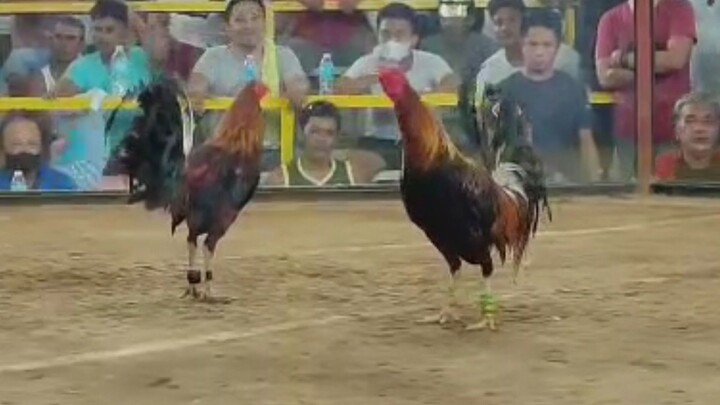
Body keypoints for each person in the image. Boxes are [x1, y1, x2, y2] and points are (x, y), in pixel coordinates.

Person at [188, 0, 309, 171]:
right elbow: (196, 84)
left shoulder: (282, 55)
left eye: (255, 18)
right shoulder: (213, 56)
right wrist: (197, 93)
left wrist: (296, 92)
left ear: (265, 22)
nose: (248, 26)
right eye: (240, 20)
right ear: (226, 27)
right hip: (224, 154)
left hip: (272, 153)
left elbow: (298, 84)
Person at [336, 2, 458, 169]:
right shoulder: (367, 62)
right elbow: (341, 88)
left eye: (399, 34)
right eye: (385, 34)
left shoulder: (431, 61)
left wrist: (413, 99)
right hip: (376, 143)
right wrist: (382, 76)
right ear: (377, 36)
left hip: (421, 139)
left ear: (414, 39)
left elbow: (452, 85)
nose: (392, 40)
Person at [595, 0, 697, 180]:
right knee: (624, 197)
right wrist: (653, 67)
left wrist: (624, 60)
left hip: (671, 129)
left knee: (671, 196)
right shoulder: (610, 19)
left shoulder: (679, 9)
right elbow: (606, 77)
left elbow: (675, 59)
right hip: (627, 130)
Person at [498, 10, 600, 182]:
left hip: (566, 181)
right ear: (522, 44)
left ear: (557, 48)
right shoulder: (504, 90)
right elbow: (495, 146)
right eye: (533, 44)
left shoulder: (573, 89)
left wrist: (594, 182)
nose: (539, 52)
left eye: (547, 45)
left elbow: (586, 140)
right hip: (518, 184)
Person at [264, 101, 385, 186]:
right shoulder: (280, 179)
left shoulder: (353, 173)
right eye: (315, 132)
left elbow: (380, 162)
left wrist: (340, 154)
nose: (322, 139)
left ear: (337, 138)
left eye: (329, 133)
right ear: (302, 134)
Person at [475, 0, 580, 88]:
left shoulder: (562, 59)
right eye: (499, 22)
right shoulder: (489, 71)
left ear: (524, 21)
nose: (505, 28)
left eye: (512, 20)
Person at [0, 112, 77, 191]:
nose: (25, 150)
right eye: (16, 144)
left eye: (32, 144)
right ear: (2, 148)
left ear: (42, 148)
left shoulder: (63, 185)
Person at [655, 92, 720, 181]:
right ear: (677, 130)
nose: (699, 129)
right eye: (690, 121)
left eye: (708, 121)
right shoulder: (660, 169)